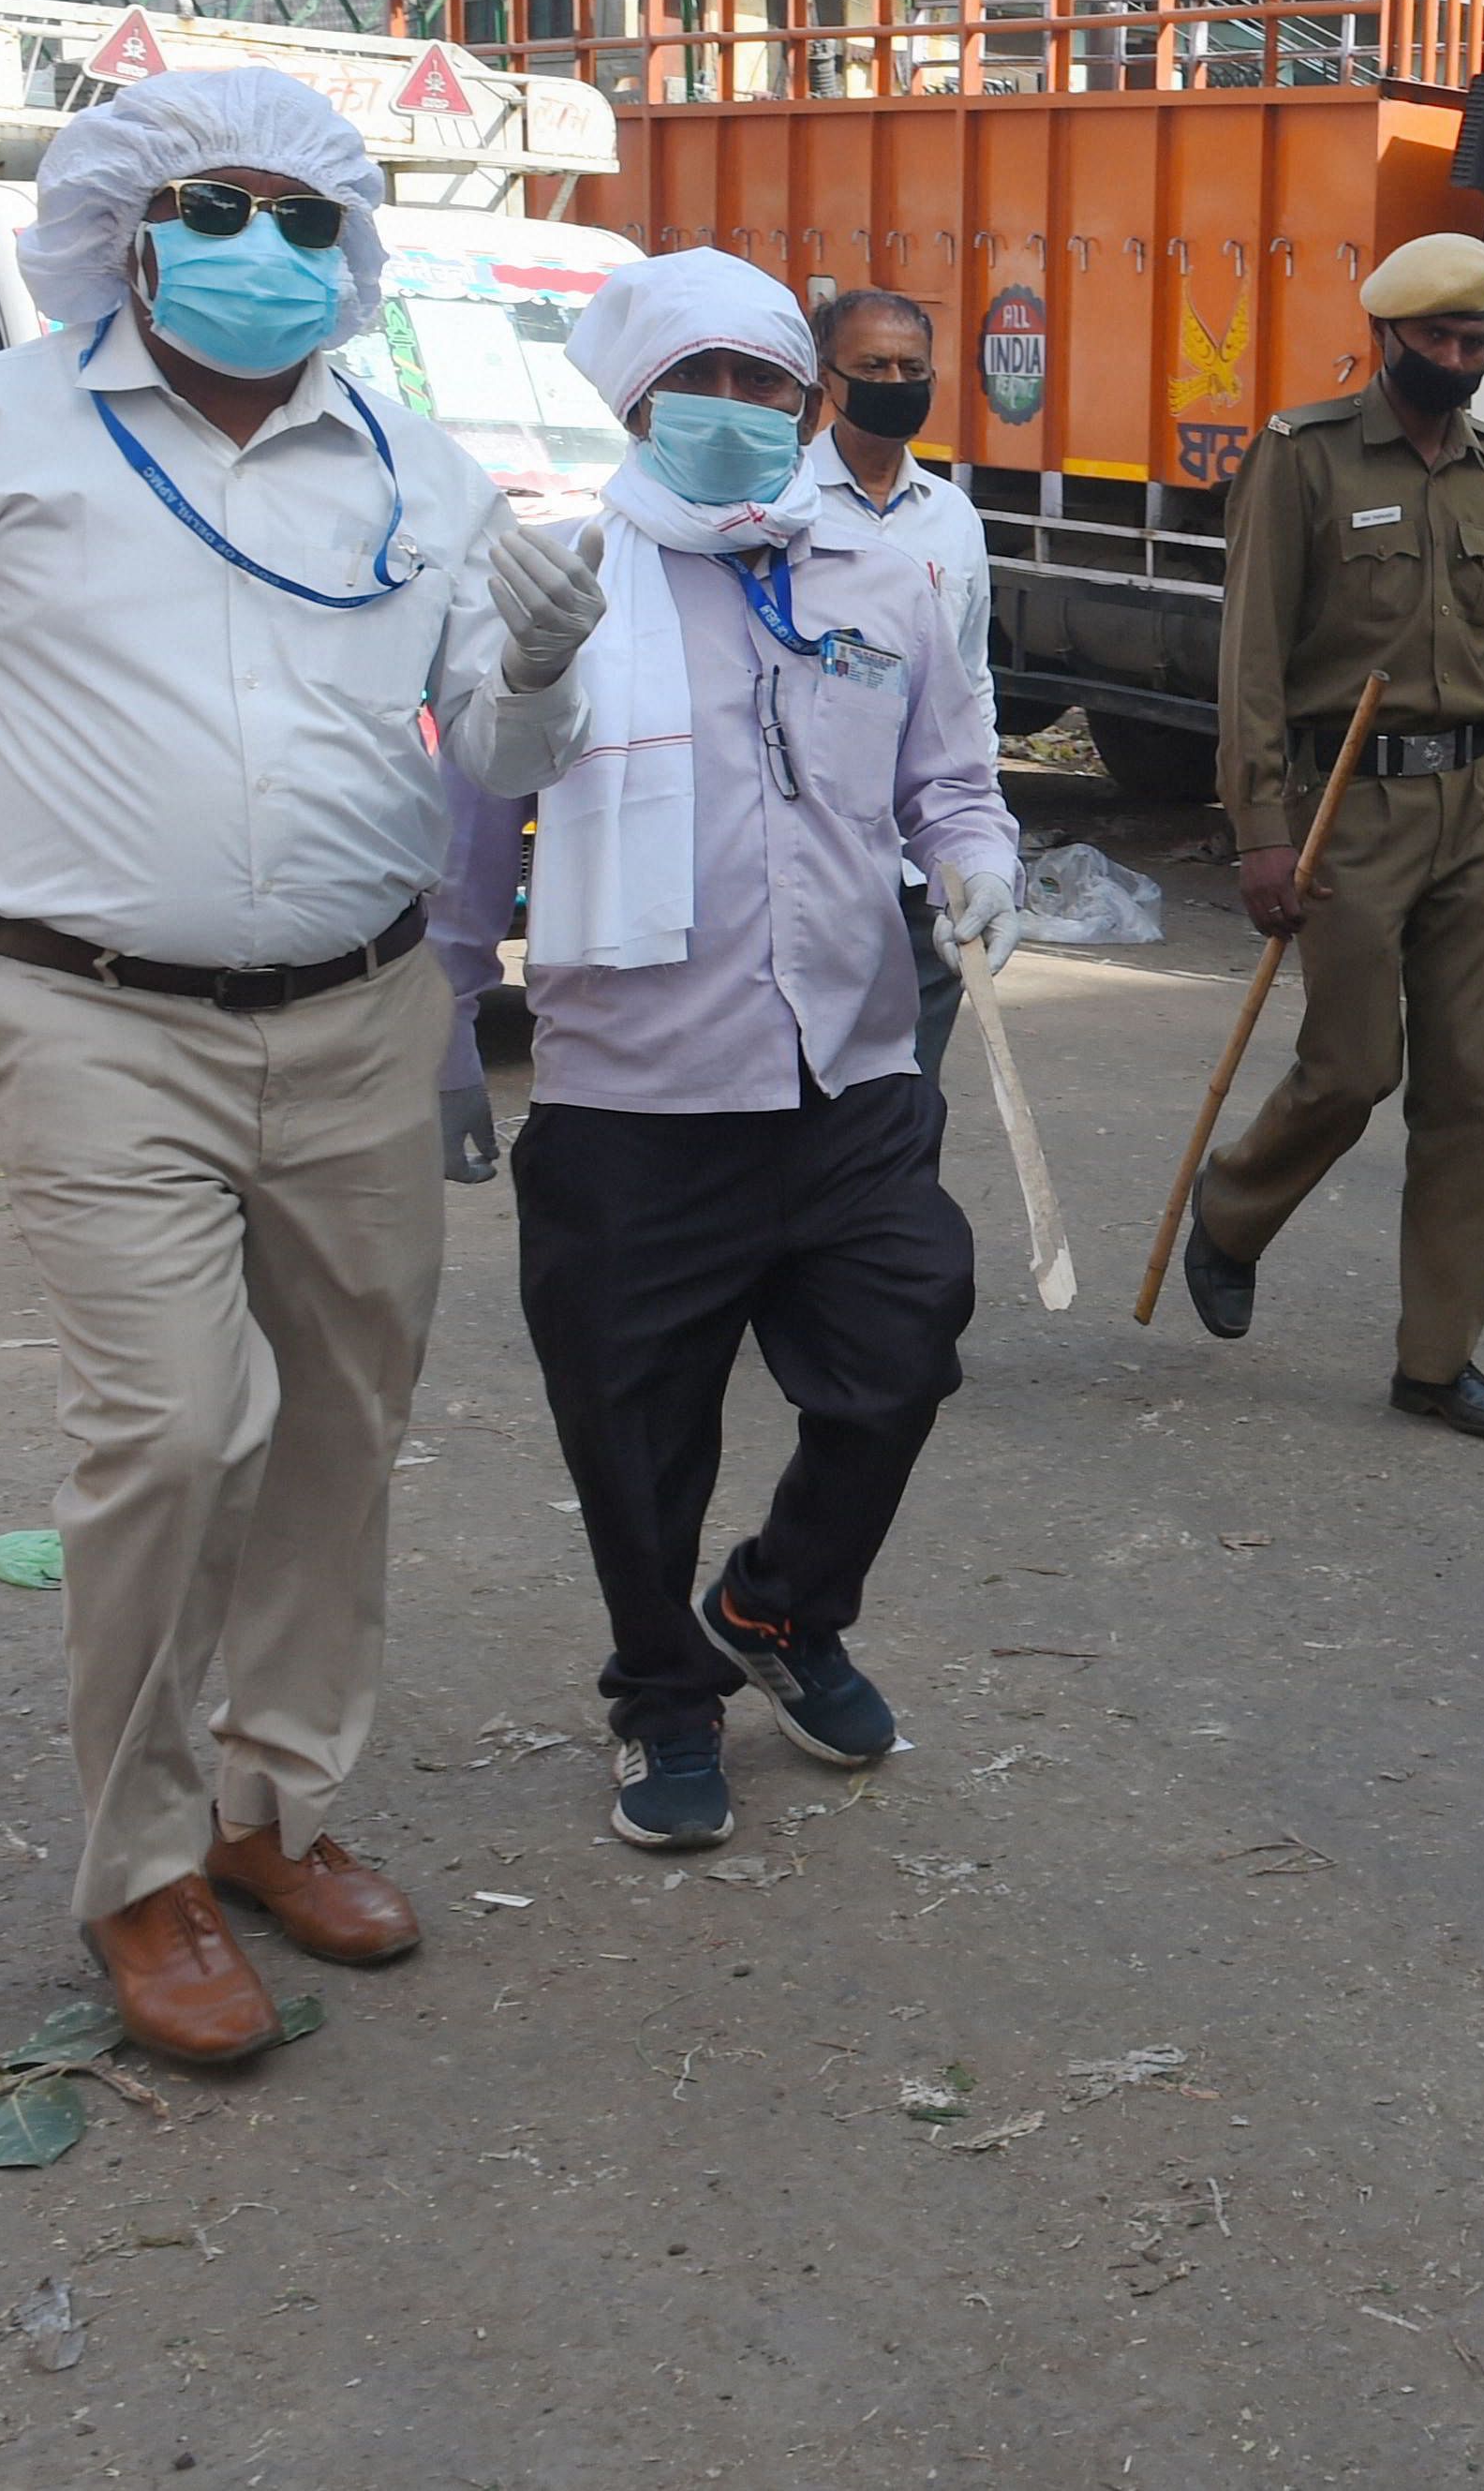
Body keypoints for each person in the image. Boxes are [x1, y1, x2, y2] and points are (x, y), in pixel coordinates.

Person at [0, 64, 603, 2060]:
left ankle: (271, 1807)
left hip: (360, 1008)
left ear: (353, 256)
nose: (267, 252)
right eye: (219, 210)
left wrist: (551, 660)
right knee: (174, 1428)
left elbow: (490, 755)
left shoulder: (418, 466)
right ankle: (141, 1867)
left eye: (310, 222)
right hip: (83, 1004)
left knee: (338, 1420)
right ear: (127, 226)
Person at [434, 248, 1022, 1854]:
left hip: (849, 1063)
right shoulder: (565, 583)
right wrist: (439, 1020)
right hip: (637, 1090)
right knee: (636, 1427)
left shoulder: (883, 576)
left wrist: (980, 860)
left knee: (909, 1335)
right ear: (634, 404)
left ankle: (777, 1604)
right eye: (704, 382)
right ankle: (662, 1694)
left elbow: (948, 778)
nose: (741, 411)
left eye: (771, 383)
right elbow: (479, 812)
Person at [1178, 234, 1484, 1439]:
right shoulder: (1304, 459)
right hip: (1348, 807)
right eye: (1443, 341)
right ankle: (1232, 1210)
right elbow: (1249, 657)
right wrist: (1258, 829)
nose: (1465, 360)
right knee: (1354, 1069)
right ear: (1392, 340)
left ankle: (1437, 1363)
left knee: (1465, 1091)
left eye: (1477, 341)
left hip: (1475, 802)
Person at [791, 285, 995, 1078]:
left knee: (912, 1097)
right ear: (826, 380)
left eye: (913, 365)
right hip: (822, 857)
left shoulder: (952, 516)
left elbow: (970, 683)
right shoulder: (786, 505)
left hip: (924, 866)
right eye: (872, 365)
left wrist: (981, 842)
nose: (895, 379)